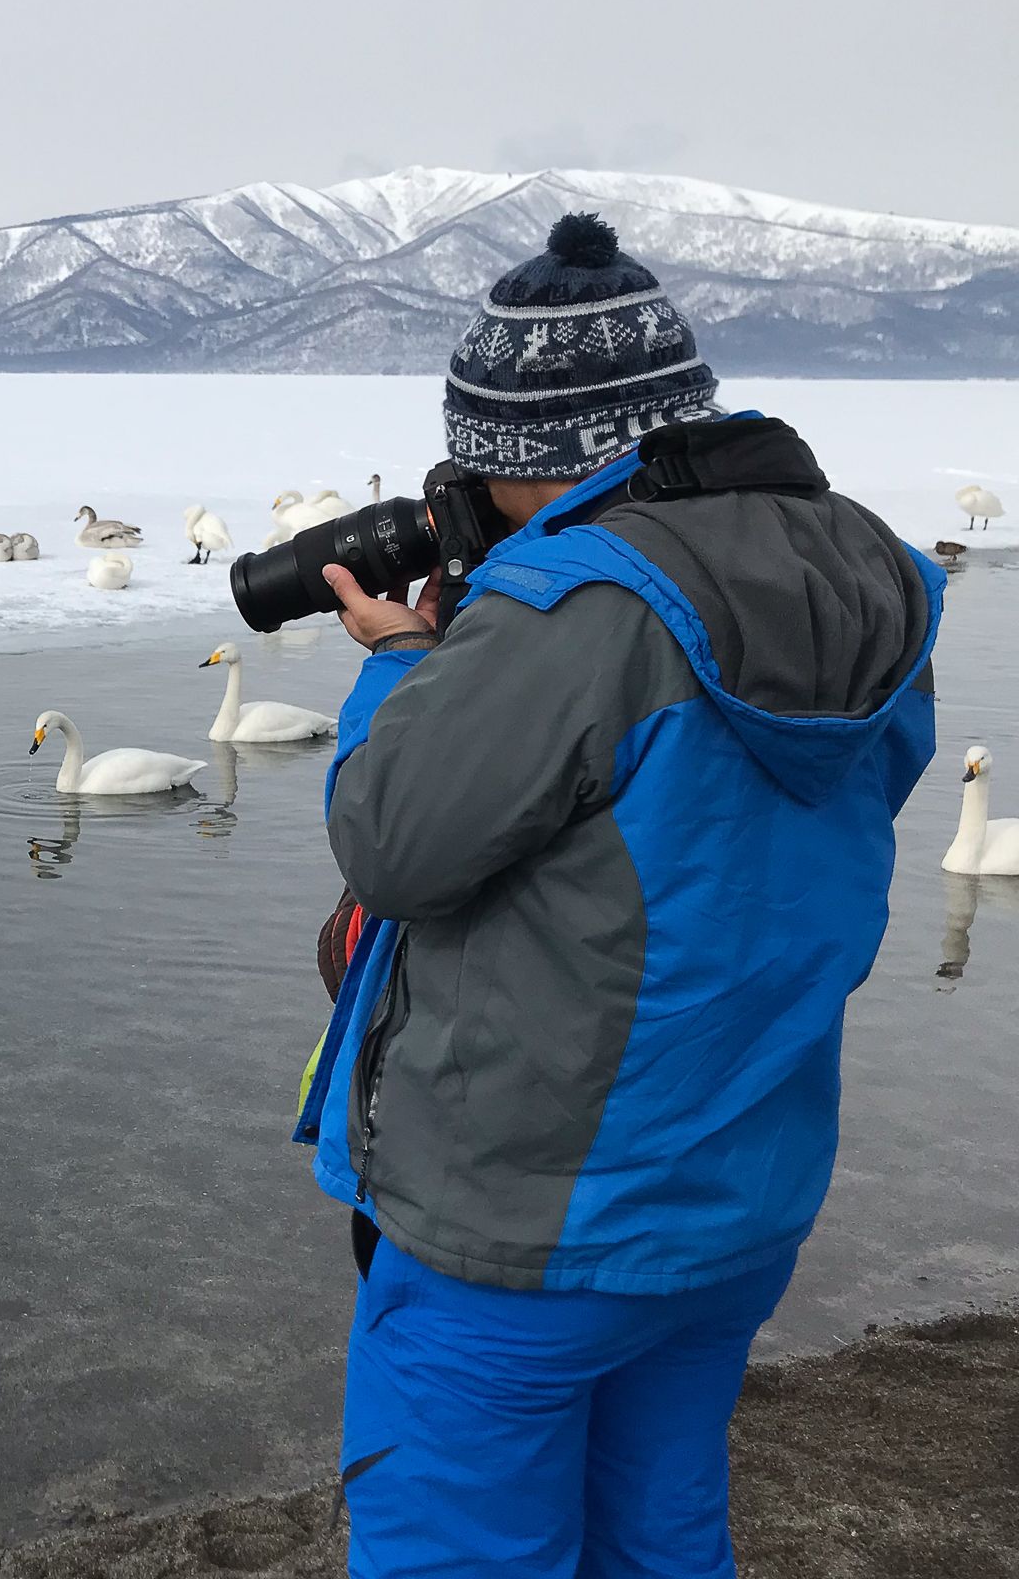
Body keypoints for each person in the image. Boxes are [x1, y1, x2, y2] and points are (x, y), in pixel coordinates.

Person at [293, 213, 942, 1576]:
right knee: (656, 1530)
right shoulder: (867, 577)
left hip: (529, 1221)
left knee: (458, 1544)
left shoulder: (580, 612)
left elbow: (393, 841)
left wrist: (410, 663)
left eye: (480, 453)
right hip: (733, 1190)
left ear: (531, 457)